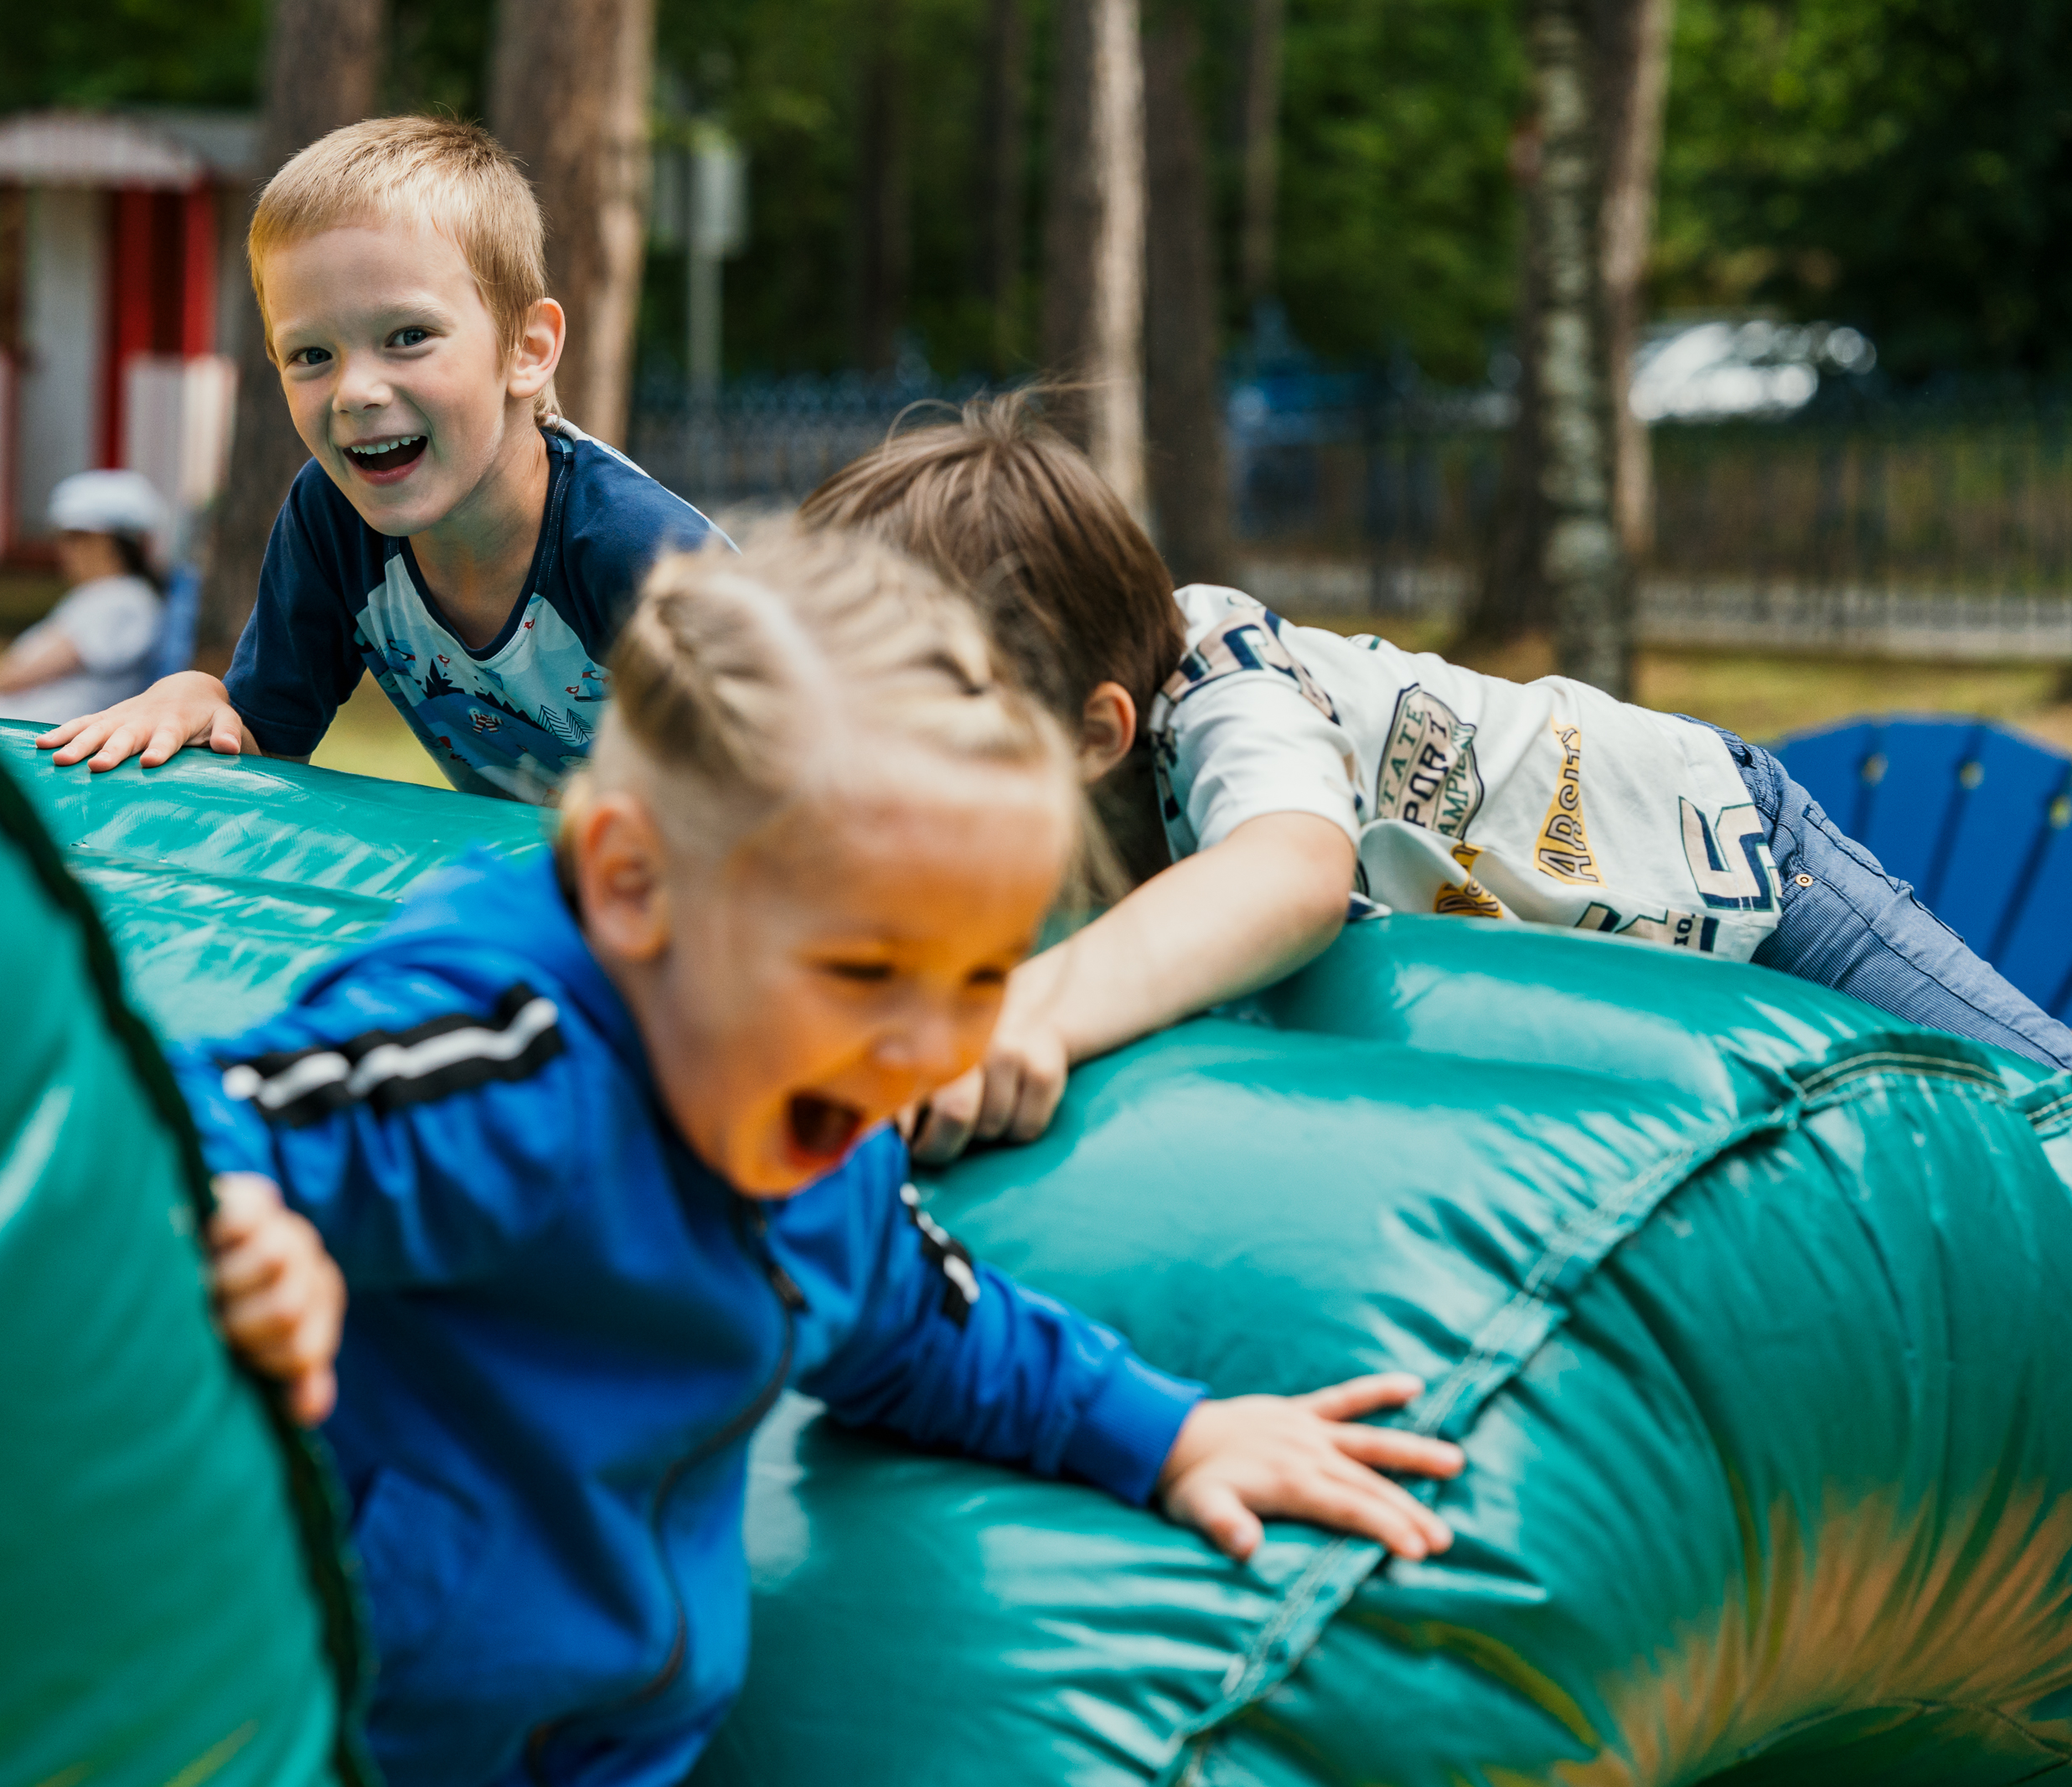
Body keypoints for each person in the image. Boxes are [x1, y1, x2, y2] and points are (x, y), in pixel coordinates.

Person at [183, 530, 1465, 1787]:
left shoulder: (828, 1132)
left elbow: (930, 1323)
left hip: (610, 1739)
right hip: (335, 1721)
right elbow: (204, 1106)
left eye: (977, 977)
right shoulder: (508, 1056)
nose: (921, 1044)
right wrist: (237, 1216)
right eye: (861, 972)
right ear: (633, 886)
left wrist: (1173, 1433)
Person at [789, 394, 2072, 1164]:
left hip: (1745, 872)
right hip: (1595, 981)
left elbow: (1291, 873)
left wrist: (1040, 1008)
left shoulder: (1226, 682)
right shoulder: (1037, 799)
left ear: (1096, 730)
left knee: (2045, 1122)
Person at [34, 116, 718, 802]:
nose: (355, 391)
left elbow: (791, 792)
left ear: (527, 349)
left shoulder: (641, 554)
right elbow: (265, 742)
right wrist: (195, 695)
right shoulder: (332, 520)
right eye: (311, 355)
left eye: (408, 336)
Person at [0, 470, 170, 726]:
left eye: (73, 538)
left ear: (105, 542)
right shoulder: (97, 596)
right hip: (11, 718)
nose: (62, 549)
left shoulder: (125, 601)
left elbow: (32, 672)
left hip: (32, 731)